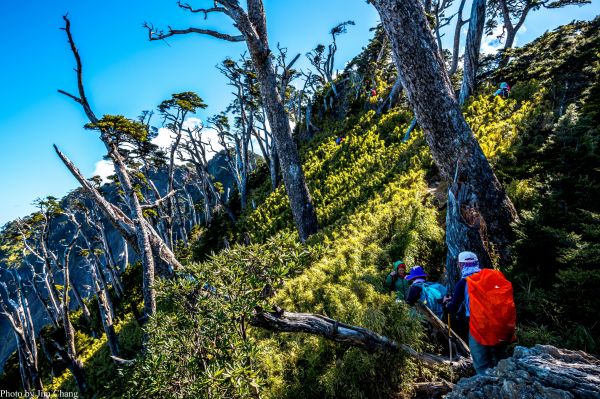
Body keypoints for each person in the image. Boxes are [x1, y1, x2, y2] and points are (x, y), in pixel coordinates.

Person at [444, 251, 516, 375]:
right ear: (476, 263)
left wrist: (446, 304)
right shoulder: (491, 276)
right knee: (500, 360)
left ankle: (486, 389)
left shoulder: (464, 282)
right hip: (500, 326)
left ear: (461, 265)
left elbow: (453, 309)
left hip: (478, 327)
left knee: (481, 363)